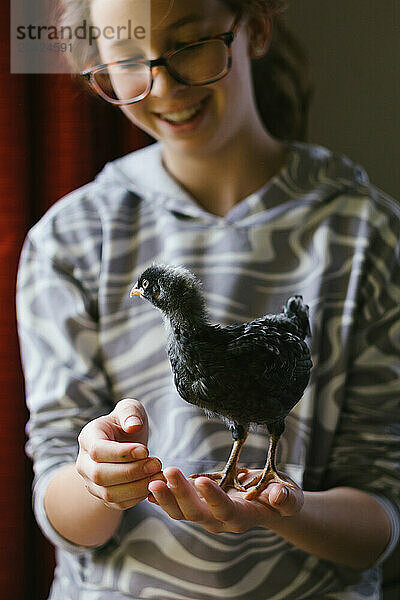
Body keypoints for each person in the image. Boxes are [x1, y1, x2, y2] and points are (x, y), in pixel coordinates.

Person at [16, 0, 400, 598]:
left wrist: (285, 511)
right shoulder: (69, 240)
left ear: (256, 26)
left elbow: (380, 509)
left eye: (189, 44)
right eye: (127, 57)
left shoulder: (367, 234)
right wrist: (97, 479)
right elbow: (60, 504)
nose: (162, 85)